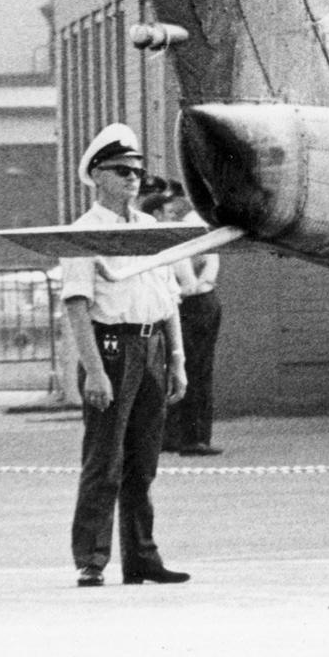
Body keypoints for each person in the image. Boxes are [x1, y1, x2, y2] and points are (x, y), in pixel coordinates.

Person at [61, 124, 190, 588]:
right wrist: (94, 370)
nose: (132, 178)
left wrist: (176, 358)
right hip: (111, 346)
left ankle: (142, 557)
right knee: (105, 460)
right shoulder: (83, 233)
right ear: (97, 175)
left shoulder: (152, 229)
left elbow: (168, 296)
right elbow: (76, 303)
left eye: (137, 170)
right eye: (121, 170)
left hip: (151, 341)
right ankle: (91, 558)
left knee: (143, 461)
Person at [141, 180, 222, 457]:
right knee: (195, 369)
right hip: (189, 302)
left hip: (188, 301)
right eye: (165, 208)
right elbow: (188, 276)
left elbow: (210, 261)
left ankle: (176, 435)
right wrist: (198, 284)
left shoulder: (174, 228)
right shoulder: (169, 233)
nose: (171, 212)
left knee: (180, 368)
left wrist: (202, 281)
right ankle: (192, 437)